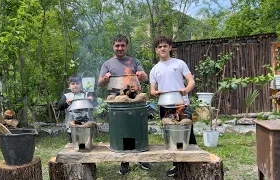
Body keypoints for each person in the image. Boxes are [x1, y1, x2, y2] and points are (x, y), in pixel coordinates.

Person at [98, 34, 150, 175]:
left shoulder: (134, 61)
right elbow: (100, 83)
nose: (120, 48)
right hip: (116, 100)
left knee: (137, 127)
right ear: (113, 46)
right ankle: (124, 161)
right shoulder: (107, 64)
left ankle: (141, 157)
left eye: (122, 45)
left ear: (126, 46)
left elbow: (145, 77)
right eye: (117, 45)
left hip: (133, 98)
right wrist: (105, 78)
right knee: (123, 130)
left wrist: (140, 74)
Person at [149, 35, 197, 177]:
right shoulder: (154, 69)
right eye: (159, 47)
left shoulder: (179, 63)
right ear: (156, 50)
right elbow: (152, 90)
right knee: (171, 135)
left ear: (170, 47)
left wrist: (186, 90)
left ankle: (194, 163)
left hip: (181, 103)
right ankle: (177, 165)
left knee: (187, 133)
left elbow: (191, 81)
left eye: (165, 46)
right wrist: (155, 92)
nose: (162, 48)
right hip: (165, 105)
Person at [57, 75, 94, 143]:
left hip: (85, 125)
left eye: (77, 83)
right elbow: (59, 107)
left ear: (81, 85)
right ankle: (76, 150)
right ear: (69, 86)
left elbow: (95, 105)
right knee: (74, 144)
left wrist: (92, 100)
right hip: (72, 126)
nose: (75, 85)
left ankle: (83, 150)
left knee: (84, 143)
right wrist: (67, 103)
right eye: (73, 84)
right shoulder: (66, 96)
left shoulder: (86, 95)